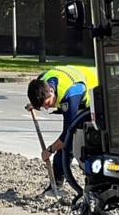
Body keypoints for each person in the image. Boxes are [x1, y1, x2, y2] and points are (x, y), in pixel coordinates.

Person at [25, 65, 98, 194]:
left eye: (47, 104)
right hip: (80, 84)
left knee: (74, 144)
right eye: (43, 106)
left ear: (52, 92)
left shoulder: (71, 93)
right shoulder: (42, 81)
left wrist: (50, 150)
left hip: (97, 90)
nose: (47, 108)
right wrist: (36, 105)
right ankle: (56, 186)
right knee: (68, 145)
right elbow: (41, 96)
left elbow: (67, 135)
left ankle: (95, 185)